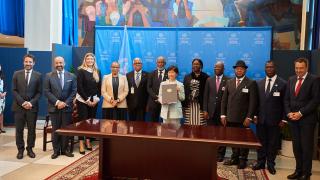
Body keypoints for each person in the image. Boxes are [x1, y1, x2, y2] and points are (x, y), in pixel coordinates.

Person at [285, 58, 320, 180]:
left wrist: (300, 113)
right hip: (293, 120)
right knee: (297, 147)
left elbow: (315, 100)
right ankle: (298, 171)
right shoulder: (291, 79)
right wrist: (289, 112)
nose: (298, 70)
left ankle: (306, 173)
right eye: (296, 68)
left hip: (307, 120)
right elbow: (286, 99)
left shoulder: (314, 80)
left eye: (301, 68)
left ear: (306, 68)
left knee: (306, 147)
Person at [221, 60, 258, 169]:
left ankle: (243, 159)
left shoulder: (251, 83)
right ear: (235, 70)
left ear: (245, 70)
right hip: (230, 117)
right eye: (237, 68)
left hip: (243, 119)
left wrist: (249, 117)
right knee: (232, 139)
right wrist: (223, 115)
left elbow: (253, 102)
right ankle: (234, 158)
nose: (239, 70)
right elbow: (224, 100)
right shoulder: (229, 82)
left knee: (243, 140)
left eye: (241, 69)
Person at [252, 60, 286, 175]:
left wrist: (283, 119)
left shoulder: (282, 83)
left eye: (271, 67)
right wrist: (255, 115)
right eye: (267, 67)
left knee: (273, 143)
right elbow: (256, 102)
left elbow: (285, 103)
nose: (269, 69)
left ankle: (271, 164)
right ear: (265, 69)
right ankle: (261, 162)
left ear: (275, 68)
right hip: (261, 119)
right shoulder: (259, 83)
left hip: (275, 121)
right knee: (261, 142)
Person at [44, 56, 77, 159]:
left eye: (61, 63)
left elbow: (74, 91)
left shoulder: (71, 76)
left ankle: (65, 149)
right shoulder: (48, 76)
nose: (59, 65)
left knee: (65, 129)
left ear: (64, 63)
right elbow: (47, 91)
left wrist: (65, 103)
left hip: (66, 108)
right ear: (54, 64)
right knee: (56, 130)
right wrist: (57, 102)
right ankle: (56, 151)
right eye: (57, 63)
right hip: (54, 108)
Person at [12, 54, 42, 159]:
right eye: (26, 61)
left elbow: (39, 92)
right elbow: (14, 90)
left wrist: (31, 103)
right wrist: (22, 102)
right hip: (18, 107)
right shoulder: (16, 74)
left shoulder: (38, 75)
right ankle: (20, 150)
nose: (28, 64)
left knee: (31, 129)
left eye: (30, 62)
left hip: (32, 108)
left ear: (34, 63)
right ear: (23, 62)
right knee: (19, 130)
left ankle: (30, 149)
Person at [203, 61, 230, 162]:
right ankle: (211, 153)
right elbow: (205, 96)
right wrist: (205, 110)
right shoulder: (209, 80)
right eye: (215, 67)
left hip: (222, 113)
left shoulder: (228, 80)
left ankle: (220, 154)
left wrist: (225, 113)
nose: (216, 69)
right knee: (210, 134)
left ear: (223, 69)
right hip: (210, 112)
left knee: (222, 134)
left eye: (218, 68)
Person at [75, 53, 101, 154]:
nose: (90, 60)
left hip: (94, 101)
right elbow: (79, 87)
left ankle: (88, 141)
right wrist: (87, 100)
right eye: (88, 59)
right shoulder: (81, 71)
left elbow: (99, 87)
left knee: (91, 122)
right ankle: (81, 143)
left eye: (92, 59)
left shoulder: (97, 71)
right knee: (83, 122)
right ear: (85, 60)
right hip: (83, 100)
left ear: (94, 61)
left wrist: (96, 100)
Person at [183, 58, 209, 125]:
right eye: (194, 64)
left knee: (201, 124)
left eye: (197, 64)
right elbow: (184, 92)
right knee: (189, 124)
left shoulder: (206, 77)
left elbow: (207, 94)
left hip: (201, 105)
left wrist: (206, 109)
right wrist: (183, 106)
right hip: (189, 105)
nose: (195, 65)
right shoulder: (187, 77)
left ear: (201, 66)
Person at [147, 56, 168, 122]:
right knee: (153, 123)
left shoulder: (169, 74)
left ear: (165, 63)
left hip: (165, 102)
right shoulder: (151, 74)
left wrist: (162, 98)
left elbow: (170, 87)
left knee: (164, 122)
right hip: (154, 102)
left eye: (162, 62)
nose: (160, 64)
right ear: (156, 63)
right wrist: (156, 97)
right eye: (159, 62)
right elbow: (149, 87)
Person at [0, 64, 6, 134]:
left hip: (2, 98)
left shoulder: (2, 76)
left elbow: (5, 86)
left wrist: (4, 93)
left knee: (1, 113)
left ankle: (1, 127)